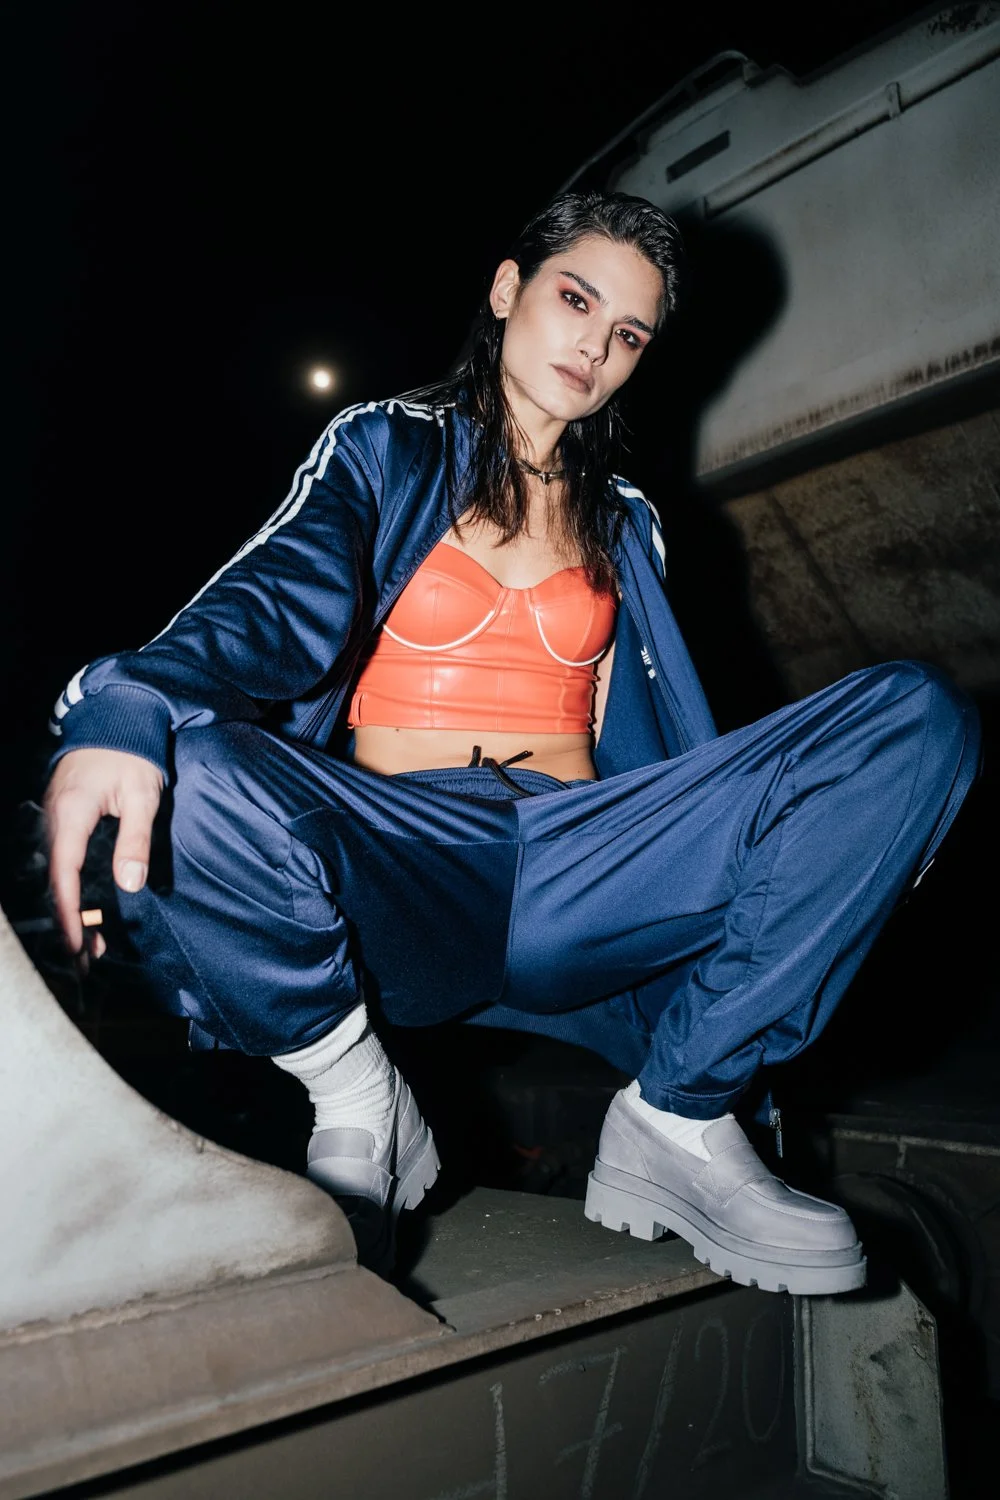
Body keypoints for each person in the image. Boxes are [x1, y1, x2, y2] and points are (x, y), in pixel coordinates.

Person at [44, 191, 980, 1291]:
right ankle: (356, 1096)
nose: (593, 344)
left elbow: (660, 728)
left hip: (584, 859)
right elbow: (273, 601)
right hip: (405, 867)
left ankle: (680, 1118)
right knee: (184, 766)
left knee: (914, 721)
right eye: (574, 299)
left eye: (627, 333)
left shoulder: (627, 518)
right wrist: (127, 704)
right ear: (507, 290)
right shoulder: (389, 447)